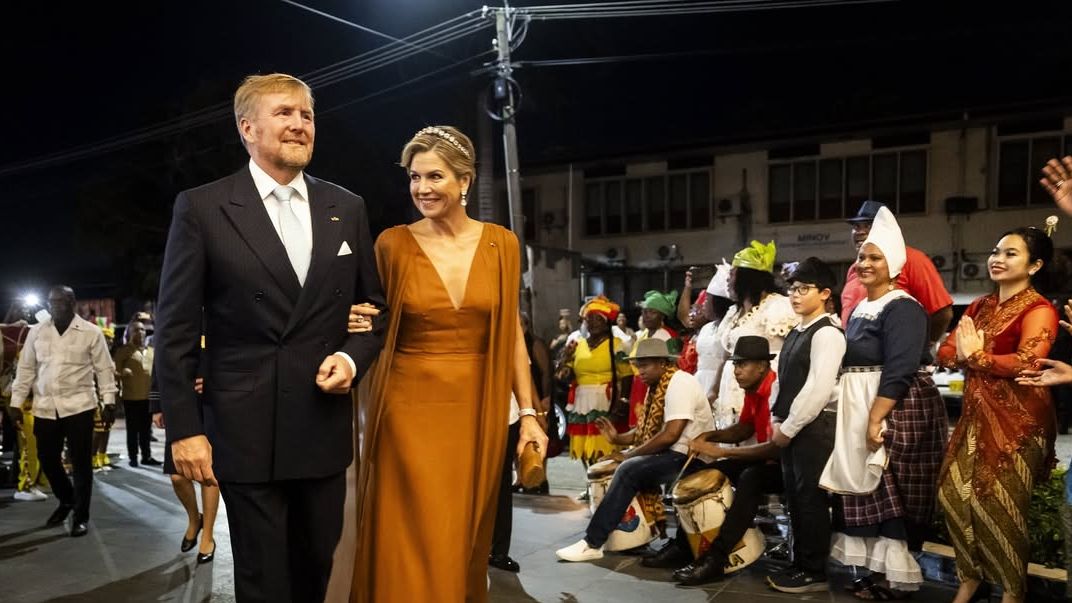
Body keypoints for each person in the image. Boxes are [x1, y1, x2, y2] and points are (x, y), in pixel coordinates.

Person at [154, 73, 387, 603]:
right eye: (284, 113)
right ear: (247, 128)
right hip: (243, 428)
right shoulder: (203, 207)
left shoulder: (346, 207)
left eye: (306, 115)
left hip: (320, 426)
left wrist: (352, 360)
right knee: (262, 580)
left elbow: (373, 309)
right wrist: (184, 431)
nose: (299, 125)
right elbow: (175, 329)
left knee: (316, 568)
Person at [348, 125, 547, 603]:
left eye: (435, 176)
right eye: (414, 177)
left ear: (465, 182)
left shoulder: (503, 244)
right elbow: (370, 319)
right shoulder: (391, 245)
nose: (422, 188)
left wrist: (530, 413)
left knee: (460, 532)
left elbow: (511, 335)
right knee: (407, 530)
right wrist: (352, 320)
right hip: (405, 406)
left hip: (476, 409)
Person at [820, 207, 948, 600]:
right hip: (863, 405)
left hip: (896, 407)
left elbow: (901, 366)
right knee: (868, 492)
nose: (865, 263)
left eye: (875, 257)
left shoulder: (903, 307)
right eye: (862, 257)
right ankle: (874, 572)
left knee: (889, 490)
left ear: (893, 264)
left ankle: (897, 578)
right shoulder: (860, 309)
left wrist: (876, 416)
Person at [937, 225, 1058, 603]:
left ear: (1035, 265)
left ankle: (1012, 591)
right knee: (953, 497)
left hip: (1019, 423)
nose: (997, 259)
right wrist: (961, 353)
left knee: (1002, 508)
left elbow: (1028, 361)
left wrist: (976, 356)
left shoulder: (1041, 309)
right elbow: (945, 350)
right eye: (995, 251)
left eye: (1010, 253)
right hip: (975, 416)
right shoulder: (979, 306)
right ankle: (970, 578)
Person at [555, 337, 715, 562]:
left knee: (629, 469)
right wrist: (618, 438)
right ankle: (632, 538)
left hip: (692, 457)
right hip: (674, 453)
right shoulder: (659, 386)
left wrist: (629, 454)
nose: (640, 371)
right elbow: (647, 432)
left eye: (645, 365)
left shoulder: (680, 383)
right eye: (638, 365)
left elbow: (670, 435)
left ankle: (592, 542)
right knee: (627, 465)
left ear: (662, 363)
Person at [663, 336, 783, 585]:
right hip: (764, 460)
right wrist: (710, 435)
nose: (736, 371)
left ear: (761, 366)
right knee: (708, 472)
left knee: (751, 478)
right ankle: (686, 548)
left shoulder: (775, 390)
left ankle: (715, 559)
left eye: (742, 365)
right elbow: (744, 428)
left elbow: (774, 449)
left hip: (784, 466)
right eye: (735, 364)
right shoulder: (753, 390)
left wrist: (723, 451)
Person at [9, 286, 118, 537]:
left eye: (59, 301)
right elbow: (25, 370)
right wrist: (16, 402)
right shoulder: (36, 332)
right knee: (47, 458)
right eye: (51, 302)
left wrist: (109, 400)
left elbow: (104, 369)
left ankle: (81, 516)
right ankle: (67, 498)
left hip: (79, 405)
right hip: (45, 407)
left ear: (72, 302)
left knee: (81, 463)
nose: (53, 306)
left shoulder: (90, 332)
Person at [766, 258, 844, 594]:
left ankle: (814, 571)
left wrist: (789, 427)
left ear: (825, 293)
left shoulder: (828, 333)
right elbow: (782, 381)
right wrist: (775, 417)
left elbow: (818, 388)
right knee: (795, 499)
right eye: (792, 289)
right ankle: (800, 563)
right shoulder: (798, 331)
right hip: (793, 426)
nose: (795, 296)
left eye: (803, 289)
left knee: (810, 500)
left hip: (814, 428)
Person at [710, 241, 798, 443]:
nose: (728, 280)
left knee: (757, 438)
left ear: (747, 277)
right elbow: (726, 355)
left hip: (765, 387)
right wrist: (714, 389)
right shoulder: (733, 312)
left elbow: (794, 350)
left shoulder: (778, 306)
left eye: (732, 274)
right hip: (732, 384)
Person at [841, 200, 953, 348]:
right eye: (856, 226)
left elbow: (942, 313)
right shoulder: (855, 268)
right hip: (853, 359)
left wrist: (923, 347)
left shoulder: (911, 259)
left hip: (892, 357)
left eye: (868, 225)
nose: (860, 231)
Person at [558, 296, 633, 471]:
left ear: (606, 322)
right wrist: (565, 357)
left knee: (604, 443)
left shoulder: (617, 345)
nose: (592, 322)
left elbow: (627, 375)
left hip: (605, 399)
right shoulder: (577, 345)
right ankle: (591, 480)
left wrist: (623, 401)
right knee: (586, 446)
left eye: (597, 318)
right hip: (582, 400)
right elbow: (564, 376)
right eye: (588, 318)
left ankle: (605, 480)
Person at [151, 372, 220, 563]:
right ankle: (194, 519)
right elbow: (162, 361)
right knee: (177, 477)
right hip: (179, 403)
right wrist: (157, 405)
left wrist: (218, 379)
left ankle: (207, 535)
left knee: (209, 473)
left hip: (213, 402)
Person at [627, 290, 680, 427]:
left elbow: (674, 366)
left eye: (652, 312)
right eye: (644, 312)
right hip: (639, 384)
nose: (646, 316)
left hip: (657, 386)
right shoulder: (643, 334)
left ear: (662, 315)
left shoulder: (668, 336)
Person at [113, 320, 159, 467]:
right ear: (129, 333)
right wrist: (122, 373)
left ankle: (147, 456)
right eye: (135, 330)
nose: (140, 332)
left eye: (142, 329)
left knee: (146, 430)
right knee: (132, 430)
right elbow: (113, 371)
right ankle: (133, 457)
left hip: (147, 397)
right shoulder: (124, 351)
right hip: (131, 397)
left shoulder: (151, 351)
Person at [694, 261, 734, 406]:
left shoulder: (731, 326)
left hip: (721, 384)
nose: (703, 304)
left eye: (707, 300)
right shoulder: (706, 328)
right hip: (699, 382)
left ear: (718, 303)